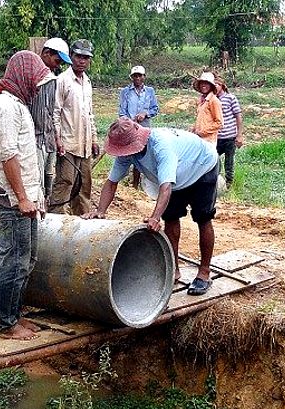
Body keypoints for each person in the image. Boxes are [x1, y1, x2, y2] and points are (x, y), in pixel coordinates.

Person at [83, 117, 219, 296]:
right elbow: (112, 182)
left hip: (202, 168)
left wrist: (154, 217)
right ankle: (174, 270)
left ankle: (204, 273)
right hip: (175, 180)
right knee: (170, 219)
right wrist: (100, 211)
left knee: (203, 219)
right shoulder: (127, 153)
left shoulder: (161, 146)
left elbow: (166, 186)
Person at [0, 51, 50, 341]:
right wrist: (23, 198)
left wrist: (37, 197)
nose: (37, 87)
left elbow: (26, 157)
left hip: (24, 198)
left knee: (28, 257)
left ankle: (14, 315)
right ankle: (7, 324)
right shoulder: (7, 108)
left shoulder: (19, 104)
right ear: (23, 77)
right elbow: (9, 155)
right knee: (15, 259)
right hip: (14, 200)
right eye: (35, 81)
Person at [49, 39, 98, 216]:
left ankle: (82, 227)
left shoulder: (87, 82)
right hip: (68, 144)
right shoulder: (62, 80)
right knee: (65, 183)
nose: (82, 61)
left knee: (84, 186)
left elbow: (90, 114)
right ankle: (55, 224)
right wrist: (58, 140)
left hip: (84, 145)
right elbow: (55, 112)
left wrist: (93, 139)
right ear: (71, 57)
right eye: (79, 57)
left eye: (86, 58)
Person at [29, 38, 72, 205]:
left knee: (48, 176)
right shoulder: (32, 78)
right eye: (56, 60)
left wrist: (56, 137)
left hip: (48, 138)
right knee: (36, 178)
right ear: (46, 54)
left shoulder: (53, 79)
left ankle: (45, 205)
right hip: (35, 138)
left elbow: (52, 112)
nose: (58, 65)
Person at [118, 65, 159, 189]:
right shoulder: (125, 92)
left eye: (140, 75)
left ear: (144, 77)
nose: (137, 78)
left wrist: (145, 114)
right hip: (129, 127)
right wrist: (128, 122)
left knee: (141, 153)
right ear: (131, 77)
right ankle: (122, 181)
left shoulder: (150, 91)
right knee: (126, 153)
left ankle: (136, 184)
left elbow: (155, 109)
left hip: (144, 128)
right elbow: (121, 112)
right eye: (135, 76)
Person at [215, 76, 244, 188]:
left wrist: (239, 135)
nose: (215, 87)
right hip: (216, 137)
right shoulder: (212, 99)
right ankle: (216, 183)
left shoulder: (230, 98)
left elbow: (238, 117)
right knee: (214, 160)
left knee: (229, 162)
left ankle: (229, 184)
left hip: (229, 137)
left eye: (217, 84)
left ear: (222, 85)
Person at [189, 72, 223, 144]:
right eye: (202, 83)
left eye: (206, 83)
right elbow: (202, 119)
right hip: (199, 140)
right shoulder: (202, 101)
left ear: (211, 85)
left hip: (208, 141)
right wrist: (194, 129)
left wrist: (203, 132)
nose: (203, 85)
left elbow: (219, 123)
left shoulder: (213, 100)